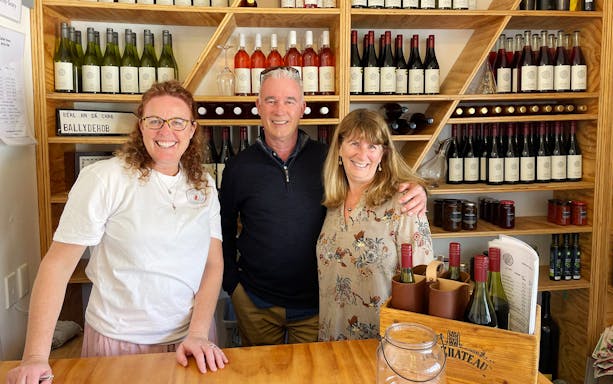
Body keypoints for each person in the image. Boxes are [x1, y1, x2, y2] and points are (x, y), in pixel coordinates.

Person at [7, 81, 227, 384]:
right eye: (155, 121)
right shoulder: (104, 178)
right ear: (141, 126)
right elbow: (57, 266)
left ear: (192, 129)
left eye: (177, 122)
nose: (166, 132)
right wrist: (34, 357)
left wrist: (200, 333)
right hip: (118, 341)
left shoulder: (203, 183)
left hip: (190, 339)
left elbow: (212, 264)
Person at [219, 66, 428, 347]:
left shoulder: (326, 161)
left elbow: (377, 177)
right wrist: (233, 286)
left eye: (289, 101)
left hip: (318, 306)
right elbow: (222, 228)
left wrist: (419, 189)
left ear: (303, 107)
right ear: (258, 106)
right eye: (270, 100)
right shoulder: (238, 167)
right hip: (257, 302)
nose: (280, 109)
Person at [317, 108, 434, 341]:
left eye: (373, 146)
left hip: (384, 345)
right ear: (339, 148)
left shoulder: (404, 205)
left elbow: (425, 284)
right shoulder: (333, 204)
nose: (363, 154)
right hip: (331, 340)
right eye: (354, 143)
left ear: (383, 154)